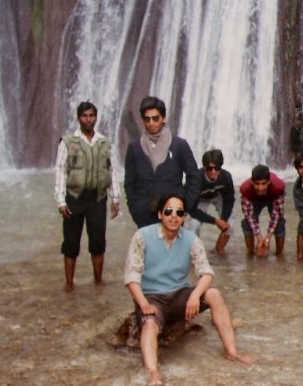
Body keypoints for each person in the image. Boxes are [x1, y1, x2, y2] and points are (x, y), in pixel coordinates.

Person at [123, 192, 253, 386]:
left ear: (184, 216)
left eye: (179, 212)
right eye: (168, 211)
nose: (174, 216)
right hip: (152, 296)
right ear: (160, 214)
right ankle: (152, 371)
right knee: (150, 324)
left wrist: (195, 295)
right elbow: (132, 276)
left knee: (214, 294)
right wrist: (143, 304)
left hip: (180, 294)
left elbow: (206, 272)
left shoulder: (190, 238)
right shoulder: (142, 236)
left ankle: (231, 351)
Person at [54, 101, 120, 292]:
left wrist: (115, 198)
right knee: (71, 242)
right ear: (78, 118)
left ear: (96, 117)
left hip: (98, 198)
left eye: (91, 115)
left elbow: (112, 170)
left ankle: (98, 281)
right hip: (74, 197)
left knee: (98, 241)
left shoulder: (104, 142)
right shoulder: (68, 142)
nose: (88, 119)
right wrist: (60, 200)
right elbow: (60, 170)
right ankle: (69, 283)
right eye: (84, 116)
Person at [124, 96, 201, 228]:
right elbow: (129, 182)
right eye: (147, 119)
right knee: (147, 249)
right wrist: (134, 208)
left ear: (163, 118)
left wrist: (184, 205)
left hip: (173, 213)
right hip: (144, 214)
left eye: (155, 118)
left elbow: (194, 177)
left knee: (173, 249)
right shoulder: (134, 147)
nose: (151, 123)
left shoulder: (179, 145)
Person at [187, 149, 235, 253]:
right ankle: (196, 253)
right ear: (204, 168)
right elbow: (192, 209)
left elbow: (229, 200)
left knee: (230, 224)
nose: (213, 171)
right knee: (193, 225)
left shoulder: (226, 177)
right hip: (200, 199)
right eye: (210, 168)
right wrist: (215, 221)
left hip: (218, 196)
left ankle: (217, 252)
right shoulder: (195, 179)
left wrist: (224, 220)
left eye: (217, 168)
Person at [239, 164, 286, 256]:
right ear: (252, 182)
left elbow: (276, 215)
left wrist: (267, 238)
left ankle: (279, 255)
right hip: (254, 198)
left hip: (273, 196)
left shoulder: (278, 187)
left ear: (268, 182)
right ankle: (251, 254)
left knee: (279, 222)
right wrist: (260, 239)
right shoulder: (245, 189)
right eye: (257, 184)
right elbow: (249, 216)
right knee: (246, 223)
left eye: (263, 184)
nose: (260, 188)